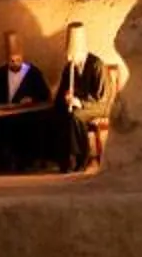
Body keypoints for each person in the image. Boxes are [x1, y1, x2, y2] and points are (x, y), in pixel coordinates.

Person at [0, 31, 58, 173]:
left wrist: (31, 99)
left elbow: (45, 95)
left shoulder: (33, 73)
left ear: (22, 57)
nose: (14, 63)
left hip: (25, 115)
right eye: (11, 60)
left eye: (17, 59)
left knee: (28, 125)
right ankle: (3, 163)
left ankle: (25, 162)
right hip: (3, 116)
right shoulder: (0, 73)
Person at [53, 21, 127, 173]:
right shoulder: (70, 67)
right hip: (77, 105)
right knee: (58, 115)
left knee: (75, 116)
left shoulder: (96, 65)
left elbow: (102, 97)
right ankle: (64, 159)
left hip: (97, 106)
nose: (70, 57)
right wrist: (65, 97)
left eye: (72, 54)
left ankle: (81, 157)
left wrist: (79, 102)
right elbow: (62, 91)